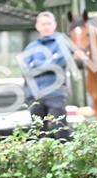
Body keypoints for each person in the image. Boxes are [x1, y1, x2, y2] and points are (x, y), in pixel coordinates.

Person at [19, 11, 73, 141]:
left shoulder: (62, 43)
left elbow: (59, 64)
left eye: (49, 23)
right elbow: (26, 71)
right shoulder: (31, 47)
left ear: (54, 25)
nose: (46, 26)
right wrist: (50, 62)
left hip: (56, 93)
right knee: (37, 133)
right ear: (37, 26)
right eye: (43, 24)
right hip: (35, 95)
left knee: (59, 129)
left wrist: (36, 64)